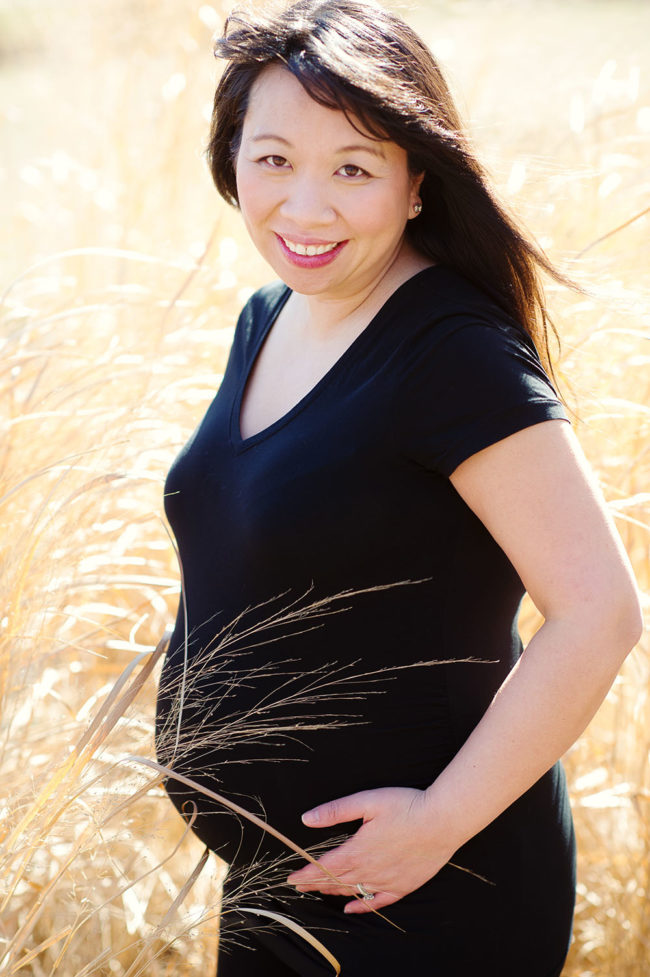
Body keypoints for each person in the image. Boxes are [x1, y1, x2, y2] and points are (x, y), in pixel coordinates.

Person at [155, 1, 643, 974]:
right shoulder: (267, 316)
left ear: (415, 181)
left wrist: (435, 823)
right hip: (274, 881)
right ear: (230, 160)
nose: (304, 207)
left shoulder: (449, 352)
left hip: (425, 889)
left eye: (352, 168)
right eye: (272, 159)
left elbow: (599, 610)